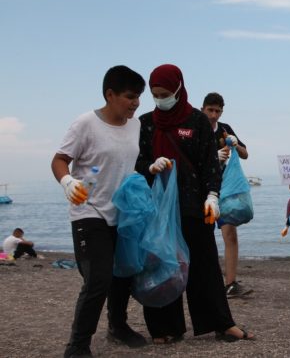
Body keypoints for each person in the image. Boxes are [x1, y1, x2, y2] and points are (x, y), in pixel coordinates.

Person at [136, 64, 253, 344]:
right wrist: (150, 167)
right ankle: (165, 328)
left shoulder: (197, 121)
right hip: (159, 208)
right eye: (155, 94)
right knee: (162, 262)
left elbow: (209, 163)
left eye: (165, 93)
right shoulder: (146, 123)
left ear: (179, 89)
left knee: (204, 264)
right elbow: (138, 161)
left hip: (194, 204)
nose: (161, 99)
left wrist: (213, 195)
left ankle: (221, 323)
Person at [51, 66, 148, 357]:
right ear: (110, 94)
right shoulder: (85, 124)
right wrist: (67, 181)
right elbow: (59, 160)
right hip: (89, 210)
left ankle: (117, 326)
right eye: (130, 97)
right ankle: (77, 345)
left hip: (123, 212)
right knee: (98, 279)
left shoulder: (135, 125)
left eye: (139, 97)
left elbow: (123, 164)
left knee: (124, 274)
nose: (136, 103)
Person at [201, 92, 251, 298]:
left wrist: (234, 143)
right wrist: (213, 155)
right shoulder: (197, 128)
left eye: (217, 111)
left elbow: (245, 154)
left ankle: (230, 283)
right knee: (203, 236)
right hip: (202, 189)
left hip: (225, 188)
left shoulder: (224, 129)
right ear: (202, 108)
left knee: (230, 232)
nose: (213, 115)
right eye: (210, 110)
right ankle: (204, 281)